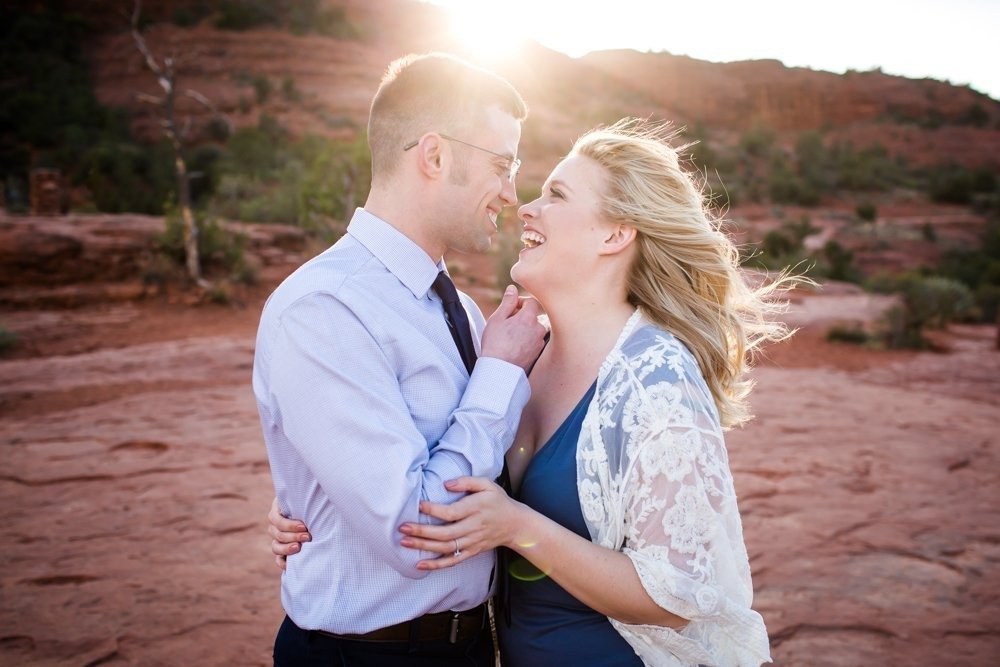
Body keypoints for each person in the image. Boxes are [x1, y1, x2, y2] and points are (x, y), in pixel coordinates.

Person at [271, 119, 792, 665]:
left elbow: (677, 596)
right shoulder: (518, 354)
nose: (526, 207)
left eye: (557, 195)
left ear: (614, 235)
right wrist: (330, 497)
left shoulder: (656, 376)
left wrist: (518, 526)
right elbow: (423, 458)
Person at [253, 52, 547, 666]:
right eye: (502, 164)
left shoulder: (460, 309)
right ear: (435, 156)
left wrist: (322, 500)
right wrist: (501, 375)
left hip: (471, 645)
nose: (513, 193)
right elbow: (416, 533)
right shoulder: (323, 309)